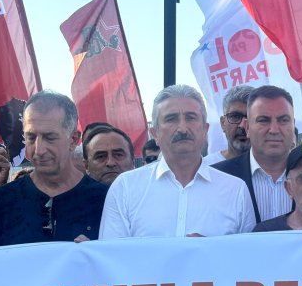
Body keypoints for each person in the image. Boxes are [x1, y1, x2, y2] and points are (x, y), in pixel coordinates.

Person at [100, 85, 255, 238]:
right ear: (155, 134)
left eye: (191, 118)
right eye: (171, 119)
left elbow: (247, 253)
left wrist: (210, 250)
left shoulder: (235, 190)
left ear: (205, 130)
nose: (182, 129)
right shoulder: (125, 188)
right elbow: (112, 253)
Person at [0, 90, 109, 247]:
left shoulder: (106, 200)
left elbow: (121, 258)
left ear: (73, 140)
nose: (39, 150)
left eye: (49, 138)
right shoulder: (1, 201)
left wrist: (96, 254)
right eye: (31, 137)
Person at [213, 85, 296, 223]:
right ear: (247, 127)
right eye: (263, 120)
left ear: (293, 124)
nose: (274, 130)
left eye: (283, 120)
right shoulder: (216, 178)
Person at [203, 85, 254, 165]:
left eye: (250, 117)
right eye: (235, 116)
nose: (242, 125)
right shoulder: (205, 167)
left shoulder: (273, 167)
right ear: (223, 123)